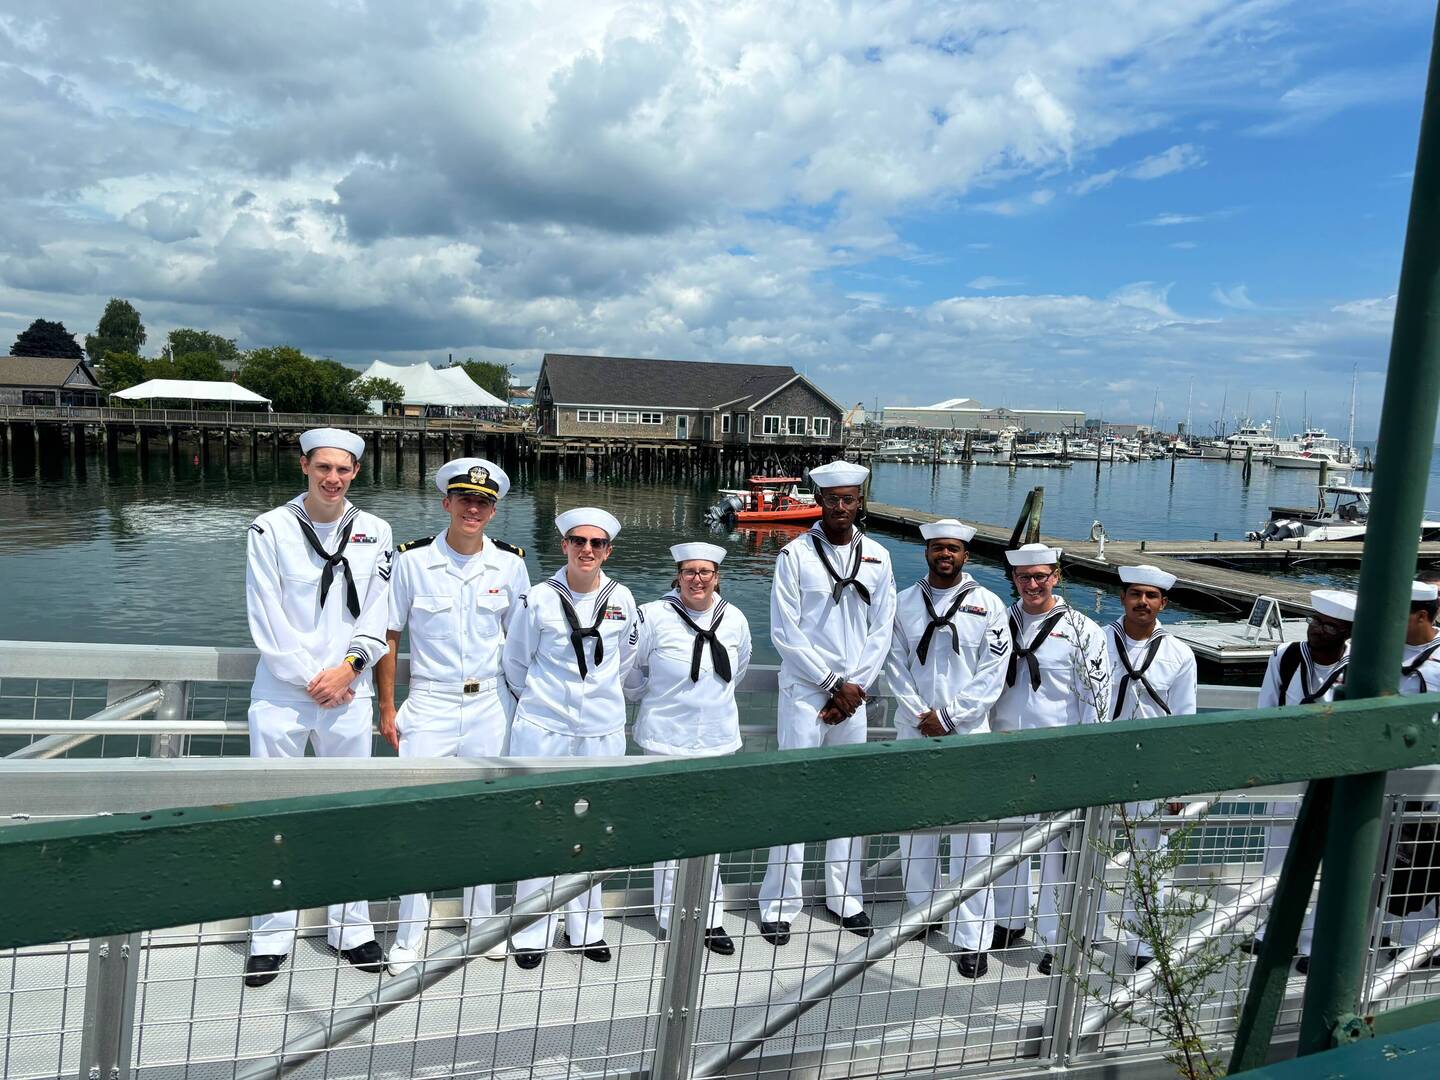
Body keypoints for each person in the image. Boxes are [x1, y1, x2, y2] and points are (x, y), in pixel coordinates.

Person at [243, 427, 393, 988]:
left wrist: (349, 668)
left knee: (346, 813)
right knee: (276, 814)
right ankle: (271, 936)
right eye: (323, 467)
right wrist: (313, 678)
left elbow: (377, 614)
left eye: (344, 469)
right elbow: (265, 615)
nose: (333, 478)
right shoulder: (270, 529)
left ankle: (350, 928)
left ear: (355, 472)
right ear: (303, 465)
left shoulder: (375, 532)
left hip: (347, 691)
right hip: (285, 694)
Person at [375, 458, 531, 974]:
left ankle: (482, 926)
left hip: (490, 703)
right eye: (464, 498)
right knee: (416, 818)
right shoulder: (412, 561)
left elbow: (523, 639)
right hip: (430, 702)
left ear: (494, 510)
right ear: (446, 502)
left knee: (484, 817)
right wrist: (387, 706)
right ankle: (409, 934)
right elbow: (390, 637)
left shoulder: (510, 564)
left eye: (484, 502)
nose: (473, 507)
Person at [759, 460, 896, 946]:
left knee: (846, 796)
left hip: (852, 698)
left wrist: (852, 687)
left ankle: (845, 897)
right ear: (820, 500)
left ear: (859, 502)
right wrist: (831, 682)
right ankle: (778, 902)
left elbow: (882, 630)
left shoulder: (879, 557)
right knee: (792, 794)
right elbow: (784, 631)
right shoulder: (794, 555)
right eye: (833, 499)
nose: (841, 507)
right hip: (805, 692)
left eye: (849, 499)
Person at [501, 507, 638, 969]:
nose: (587, 550)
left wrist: (594, 702)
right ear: (564, 545)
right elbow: (516, 663)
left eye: (596, 544)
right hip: (544, 728)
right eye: (578, 541)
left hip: (601, 729)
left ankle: (585, 930)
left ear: (608, 551)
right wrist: (547, 707)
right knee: (540, 831)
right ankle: (530, 931)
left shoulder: (624, 598)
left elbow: (625, 659)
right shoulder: (537, 598)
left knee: (593, 831)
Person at [883, 518, 1009, 978]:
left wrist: (951, 717)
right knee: (914, 830)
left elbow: (992, 674)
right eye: (938, 547)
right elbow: (893, 664)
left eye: (953, 548)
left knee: (971, 839)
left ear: (965, 555)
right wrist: (921, 714)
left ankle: (973, 938)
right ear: (926, 552)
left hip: (966, 734)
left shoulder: (988, 606)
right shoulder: (902, 605)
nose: (945, 555)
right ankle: (923, 913)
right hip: (914, 729)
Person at [625, 542, 753, 956]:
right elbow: (631, 670)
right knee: (668, 832)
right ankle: (670, 917)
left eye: (706, 572)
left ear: (717, 576)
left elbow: (741, 668)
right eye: (689, 572)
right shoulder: (652, 616)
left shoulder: (733, 618)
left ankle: (710, 918)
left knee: (709, 835)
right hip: (665, 740)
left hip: (717, 740)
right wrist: (651, 698)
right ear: (677, 575)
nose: (697, 579)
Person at [989, 542, 1109, 976]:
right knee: (1007, 842)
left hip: (1059, 754)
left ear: (1056, 576)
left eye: (1041, 576)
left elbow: (1096, 700)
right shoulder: (999, 624)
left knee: (1060, 851)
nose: (1033, 584)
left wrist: (1086, 756)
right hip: (1005, 751)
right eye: (1024, 577)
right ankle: (1008, 920)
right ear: (1014, 581)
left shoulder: (1083, 630)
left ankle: (1057, 939)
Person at [1245, 588, 1355, 972]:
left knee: (1327, 861)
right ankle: (1272, 930)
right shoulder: (1286, 656)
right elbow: (1266, 708)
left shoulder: (1358, 666)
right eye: (1314, 621)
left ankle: (1312, 940)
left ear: (1346, 632)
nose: (1317, 630)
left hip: (1334, 776)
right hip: (1288, 772)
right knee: (1276, 854)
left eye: (1328, 625)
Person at [1104, 564, 1198, 969]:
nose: (1143, 602)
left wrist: (1177, 785)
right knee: (1086, 853)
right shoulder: (1096, 640)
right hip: (1102, 758)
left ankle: (1142, 941)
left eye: (1151, 596)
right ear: (1122, 598)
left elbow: (1184, 720)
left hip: (1152, 764)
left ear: (1164, 603)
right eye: (1135, 594)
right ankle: (1084, 931)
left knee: (1150, 858)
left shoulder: (1179, 653)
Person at [1385, 579, 1440, 956]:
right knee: (1384, 859)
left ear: (1422, 615)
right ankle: (1381, 934)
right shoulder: (1376, 652)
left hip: (1435, 780)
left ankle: (1422, 946)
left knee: (1431, 860)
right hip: (1391, 776)